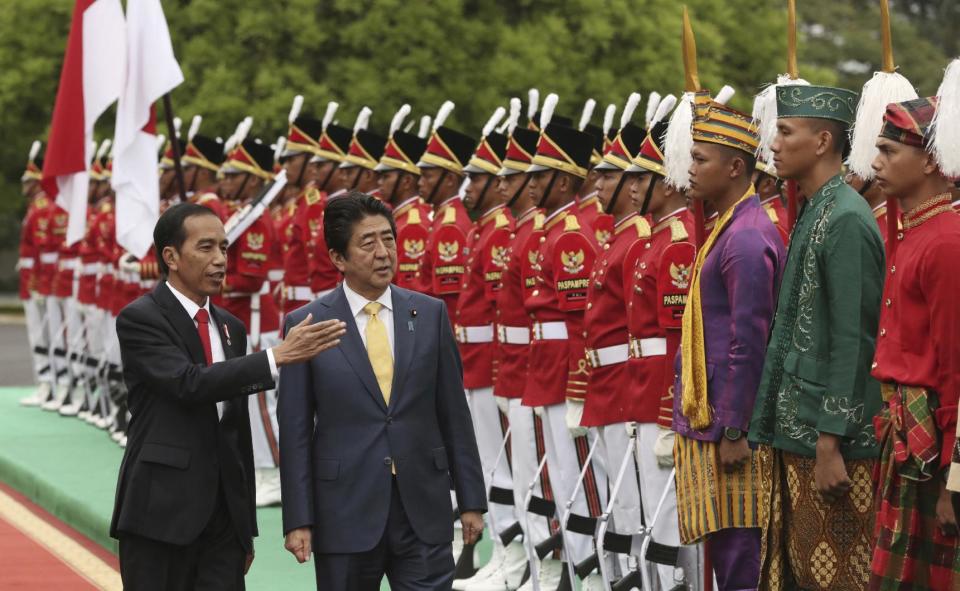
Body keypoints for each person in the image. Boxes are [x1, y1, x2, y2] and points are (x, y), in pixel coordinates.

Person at [110, 202, 345, 590]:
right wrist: (275, 357)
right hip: (160, 515)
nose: (220, 259)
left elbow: (237, 435)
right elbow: (188, 383)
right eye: (206, 248)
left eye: (224, 247)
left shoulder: (231, 328)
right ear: (170, 256)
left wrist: (245, 528)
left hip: (223, 523)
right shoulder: (142, 318)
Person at [278, 192, 487, 590]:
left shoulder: (428, 314)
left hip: (422, 508)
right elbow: (295, 429)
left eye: (388, 238)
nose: (383, 252)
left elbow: (453, 412)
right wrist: (298, 518)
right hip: (345, 511)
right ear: (338, 258)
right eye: (367, 242)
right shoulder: (307, 324)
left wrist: (471, 498)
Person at [749, 84, 884, 591]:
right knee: (802, 573)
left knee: (838, 577)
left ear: (823, 140)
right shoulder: (816, 207)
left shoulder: (847, 217)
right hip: (799, 429)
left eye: (785, 132)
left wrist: (831, 440)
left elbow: (855, 340)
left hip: (832, 442)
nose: (774, 145)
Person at [673, 93, 784, 591]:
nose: (689, 168)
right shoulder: (730, 226)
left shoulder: (745, 236)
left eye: (700, 159)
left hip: (732, 427)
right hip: (716, 418)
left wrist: (736, 428)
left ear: (735, 167)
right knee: (722, 548)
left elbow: (750, 342)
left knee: (742, 552)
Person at [871, 96, 960, 589]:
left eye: (887, 150)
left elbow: (956, 372)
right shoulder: (914, 232)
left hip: (937, 461)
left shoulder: (946, 243)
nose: (875, 163)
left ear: (930, 159)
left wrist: (954, 481)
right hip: (907, 444)